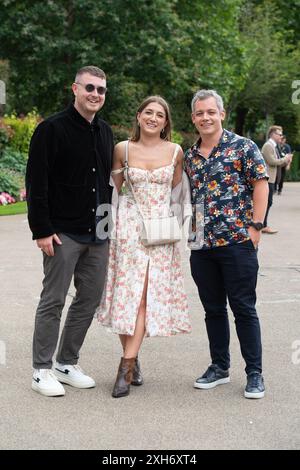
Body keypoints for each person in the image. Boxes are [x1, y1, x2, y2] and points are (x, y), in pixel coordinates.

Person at [26, 66, 113, 396]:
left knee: (88, 301)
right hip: (62, 233)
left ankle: (66, 362)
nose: (95, 94)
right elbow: (37, 182)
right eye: (89, 87)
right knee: (53, 300)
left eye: (101, 90)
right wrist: (42, 230)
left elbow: (107, 182)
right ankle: (41, 370)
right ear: (74, 89)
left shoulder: (104, 132)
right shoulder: (51, 129)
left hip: (98, 233)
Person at [97, 95, 192, 398]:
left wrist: (182, 232)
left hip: (160, 232)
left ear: (166, 122)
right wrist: (106, 230)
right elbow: (113, 192)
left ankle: (125, 368)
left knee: (143, 300)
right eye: (148, 112)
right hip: (127, 230)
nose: (153, 118)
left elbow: (178, 196)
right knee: (126, 297)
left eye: (160, 115)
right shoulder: (122, 149)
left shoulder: (177, 151)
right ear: (138, 116)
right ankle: (133, 360)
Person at [185, 89, 269, 399]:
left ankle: (255, 373)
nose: (205, 117)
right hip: (201, 246)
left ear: (222, 114)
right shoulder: (190, 156)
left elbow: (261, 184)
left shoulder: (243, 147)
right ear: (193, 118)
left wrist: (256, 226)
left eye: (210, 112)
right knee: (213, 309)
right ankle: (219, 367)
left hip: (237, 242)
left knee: (244, 308)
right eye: (199, 113)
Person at [261, 126, 292, 233]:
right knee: (267, 202)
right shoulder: (268, 146)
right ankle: (263, 225)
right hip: (268, 179)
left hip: (271, 179)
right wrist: (285, 158)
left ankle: (263, 224)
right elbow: (272, 162)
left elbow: (277, 162)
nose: (281, 136)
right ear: (272, 134)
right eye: (279, 134)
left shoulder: (273, 146)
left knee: (268, 202)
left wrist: (285, 161)